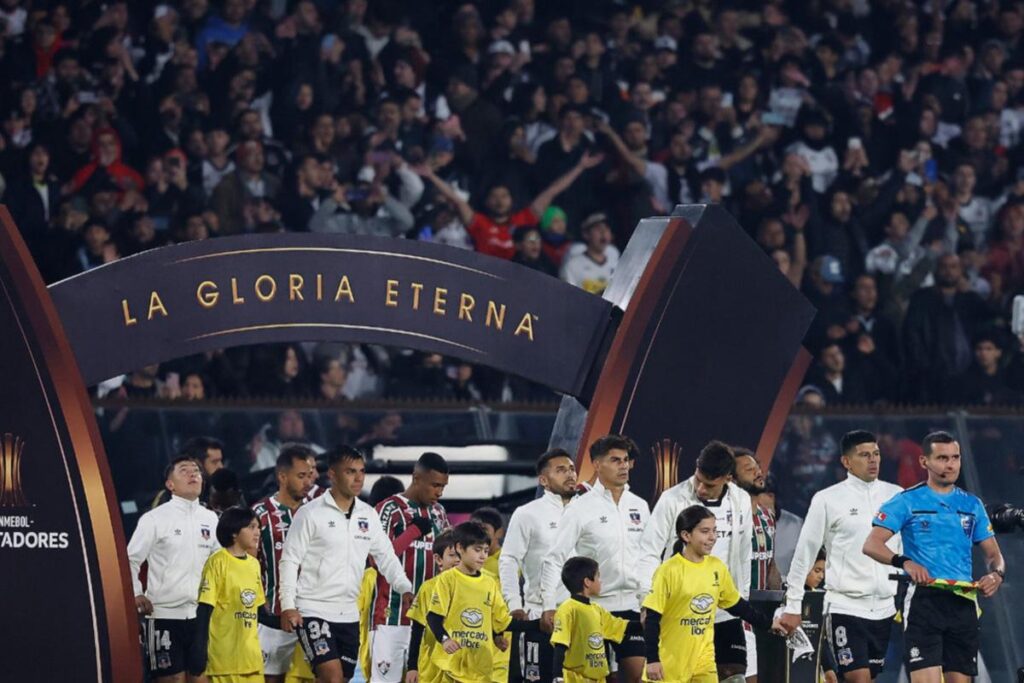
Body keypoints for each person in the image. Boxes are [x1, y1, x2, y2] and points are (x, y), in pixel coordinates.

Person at [862, 431, 1006, 683]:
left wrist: (996, 574)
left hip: (963, 602)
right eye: (942, 458)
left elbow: (994, 555)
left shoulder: (972, 505)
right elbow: (872, 544)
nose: (950, 464)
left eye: (955, 457)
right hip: (923, 602)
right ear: (923, 462)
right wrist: (904, 561)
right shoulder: (906, 501)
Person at [279, 446, 414, 683]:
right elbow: (290, 560)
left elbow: (386, 556)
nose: (359, 477)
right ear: (332, 474)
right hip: (313, 609)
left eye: (362, 471)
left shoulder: (368, 515)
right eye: (351, 471)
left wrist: (404, 587)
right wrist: (288, 605)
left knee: (339, 679)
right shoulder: (310, 514)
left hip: (348, 614)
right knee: (332, 677)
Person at [779, 430, 904, 683]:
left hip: (884, 608)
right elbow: (804, 554)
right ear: (846, 462)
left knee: (867, 678)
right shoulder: (827, 499)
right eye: (864, 455)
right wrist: (793, 605)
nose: (873, 460)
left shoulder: (897, 495)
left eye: (876, 454)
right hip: (845, 606)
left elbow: (904, 550)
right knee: (858, 678)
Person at [638, 440, 752, 680]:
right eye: (698, 479)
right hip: (680, 611)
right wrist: (646, 600)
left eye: (709, 485)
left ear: (727, 479)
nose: (700, 488)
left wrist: (743, 598)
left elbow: (743, 553)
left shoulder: (741, 501)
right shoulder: (672, 499)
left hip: (723, 610)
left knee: (734, 674)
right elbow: (649, 551)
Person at [539, 435, 649, 683]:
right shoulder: (579, 508)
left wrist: (648, 602)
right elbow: (554, 558)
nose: (623, 466)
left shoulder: (640, 506)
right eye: (615, 460)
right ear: (597, 465)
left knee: (638, 677)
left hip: (632, 607)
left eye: (626, 460)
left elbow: (647, 558)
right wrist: (548, 604)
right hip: (593, 611)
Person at [642, 506, 782, 682]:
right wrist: (653, 660)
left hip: (704, 661)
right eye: (705, 531)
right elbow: (652, 618)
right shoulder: (668, 571)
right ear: (686, 536)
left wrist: (769, 624)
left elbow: (738, 606)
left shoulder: (716, 567)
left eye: (715, 531)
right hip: (669, 664)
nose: (712, 537)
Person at [127, 456, 220, 682]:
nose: (193, 474)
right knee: (173, 680)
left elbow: (220, 564)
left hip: (201, 617)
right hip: (163, 616)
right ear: (170, 485)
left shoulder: (211, 519)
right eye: (184, 471)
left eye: (196, 471)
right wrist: (136, 592)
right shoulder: (154, 519)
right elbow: (130, 558)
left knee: (200, 680)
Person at [414, 151, 604, 260]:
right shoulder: (479, 223)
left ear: (512, 200)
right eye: (494, 196)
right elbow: (456, 200)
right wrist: (431, 176)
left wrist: (580, 167)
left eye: (504, 196)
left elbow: (553, 190)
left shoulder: (524, 219)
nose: (499, 200)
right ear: (487, 201)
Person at [370, 452, 451, 683]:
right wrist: (413, 532)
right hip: (391, 616)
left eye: (443, 486)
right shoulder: (389, 509)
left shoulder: (439, 513)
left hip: (428, 619)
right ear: (416, 478)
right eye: (435, 485)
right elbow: (376, 560)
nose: (440, 492)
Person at [499, 449, 578, 683]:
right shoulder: (528, 514)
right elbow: (509, 559)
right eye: (561, 470)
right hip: (541, 616)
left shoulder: (587, 511)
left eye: (572, 469)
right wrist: (514, 604)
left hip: (582, 614)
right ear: (543, 480)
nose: (570, 474)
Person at [253, 446, 318, 683]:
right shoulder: (259, 514)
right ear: (282, 476)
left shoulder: (319, 511)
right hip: (274, 614)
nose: (308, 482)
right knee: (272, 678)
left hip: (314, 612)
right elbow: (250, 564)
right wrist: (261, 605)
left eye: (310, 475)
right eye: (301, 476)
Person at [424, 522, 512, 683]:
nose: (483, 556)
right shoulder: (447, 579)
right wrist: (445, 639)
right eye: (477, 550)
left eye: (486, 551)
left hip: (480, 665)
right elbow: (433, 616)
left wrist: (498, 636)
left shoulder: (490, 582)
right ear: (460, 548)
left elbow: (500, 620)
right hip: (452, 664)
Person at [189, 506, 266, 682]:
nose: (257, 533)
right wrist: (199, 650)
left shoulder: (254, 565)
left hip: (252, 660)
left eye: (258, 528)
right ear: (234, 533)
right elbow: (204, 610)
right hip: (224, 661)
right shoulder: (217, 562)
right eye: (251, 527)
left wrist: (293, 620)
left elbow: (260, 612)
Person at [550, 557, 641, 683]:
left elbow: (620, 626)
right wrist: (557, 677)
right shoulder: (567, 609)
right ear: (587, 582)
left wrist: (647, 623)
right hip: (575, 679)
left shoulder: (597, 609)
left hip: (598, 678)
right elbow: (560, 645)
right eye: (598, 577)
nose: (601, 581)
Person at [732, 448, 780, 683]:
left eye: (757, 467)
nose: (758, 473)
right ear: (732, 479)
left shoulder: (767, 515)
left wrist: (783, 599)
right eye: (749, 469)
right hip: (733, 613)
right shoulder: (726, 518)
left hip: (761, 615)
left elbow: (770, 564)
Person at [404, 530, 460, 683]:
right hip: (431, 667)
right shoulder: (428, 588)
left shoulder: (474, 586)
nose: (458, 560)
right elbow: (417, 630)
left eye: (461, 555)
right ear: (438, 559)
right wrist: (412, 667)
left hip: (463, 664)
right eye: (452, 555)